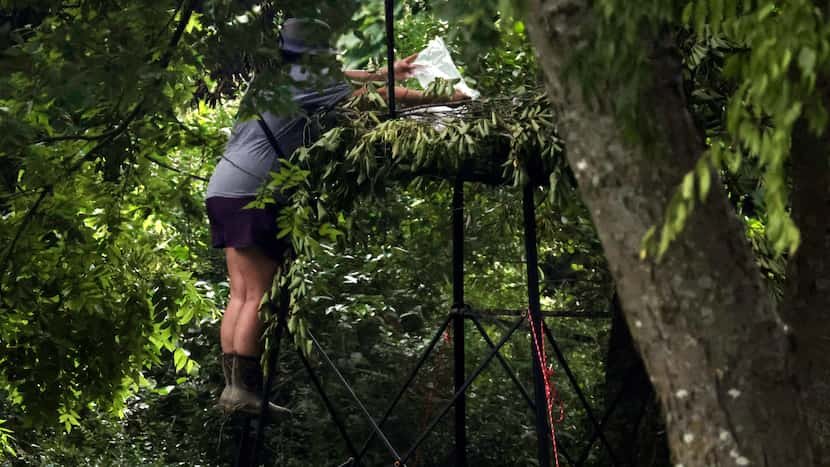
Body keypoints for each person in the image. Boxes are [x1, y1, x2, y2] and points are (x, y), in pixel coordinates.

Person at [206, 17, 468, 417]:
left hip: (223, 187)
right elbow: (380, 99)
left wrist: (385, 71)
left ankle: (233, 389)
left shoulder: (272, 78)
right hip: (259, 192)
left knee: (240, 292)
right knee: (258, 294)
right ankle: (245, 391)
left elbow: (349, 78)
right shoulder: (316, 82)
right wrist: (445, 99)